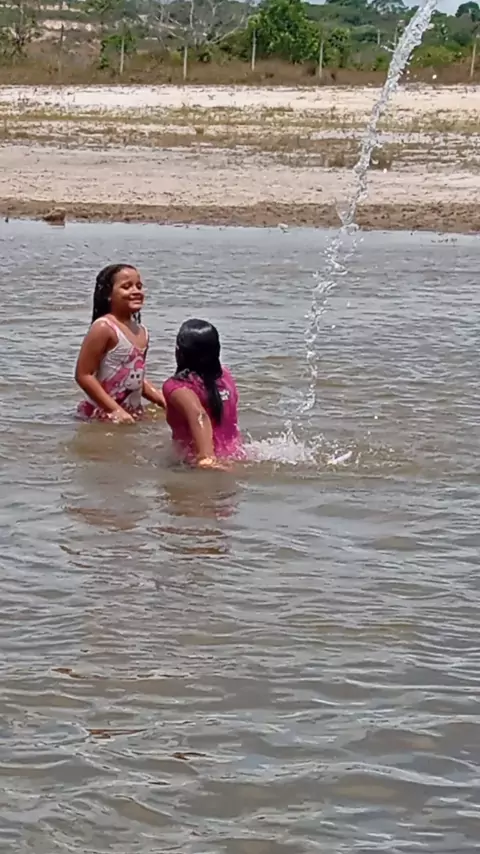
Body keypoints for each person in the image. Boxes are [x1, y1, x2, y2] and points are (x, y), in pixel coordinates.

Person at [75, 264, 165, 423]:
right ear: (108, 294)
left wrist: (162, 400)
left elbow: (135, 378)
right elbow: (83, 375)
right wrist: (115, 410)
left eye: (139, 286)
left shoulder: (142, 331)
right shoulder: (104, 327)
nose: (136, 291)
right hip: (102, 415)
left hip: (131, 413)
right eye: (126, 287)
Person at [163, 319, 243, 469]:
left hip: (194, 464)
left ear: (179, 350)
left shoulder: (176, 386)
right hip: (237, 457)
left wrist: (206, 457)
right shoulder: (225, 376)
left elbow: (199, 415)